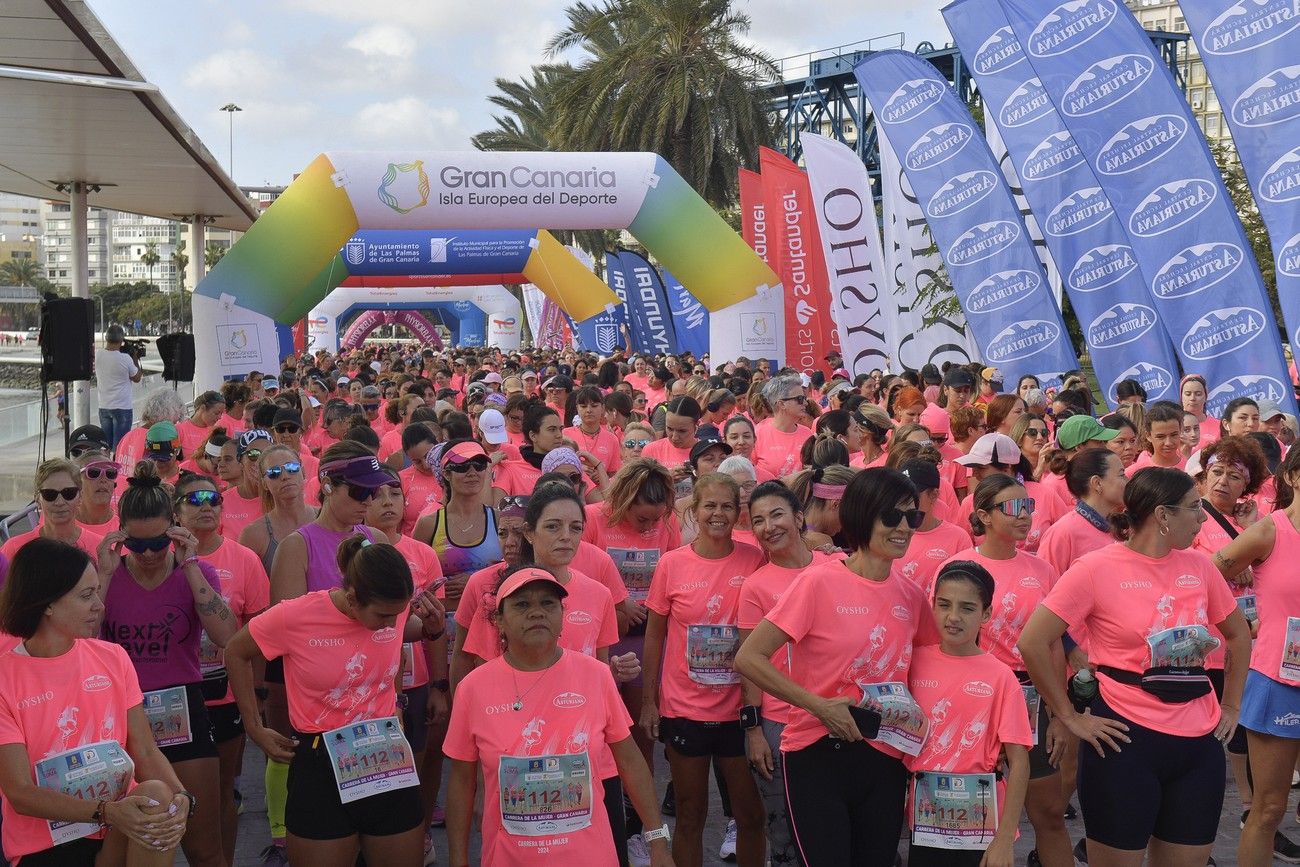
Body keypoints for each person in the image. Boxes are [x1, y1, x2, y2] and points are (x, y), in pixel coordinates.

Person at [1018, 467, 1252, 866]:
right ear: (1162, 515)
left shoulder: (1200, 566)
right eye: (1195, 508)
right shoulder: (1096, 568)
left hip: (1198, 739)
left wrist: (1231, 706)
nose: (1203, 518)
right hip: (1125, 739)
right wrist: (1069, 716)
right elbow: (1034, 640)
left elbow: (1238, 634)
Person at [735, 467, 937, 866]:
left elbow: (932, 673)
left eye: (912, 517)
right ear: (863, 515)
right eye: (891, 516)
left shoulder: (912, 596)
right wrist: (818, 705)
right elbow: (749, 658)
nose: (904, 528)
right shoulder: (818, 582)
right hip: (817, 754)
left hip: (886, 757)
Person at [226, 536, 441, 866]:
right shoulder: (295, 615)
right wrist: (254, 727)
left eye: (398, 613)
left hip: (384, 754)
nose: (392, 622)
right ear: (353, 598)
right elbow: (236, 652)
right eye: (384, 615)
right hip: (320, 761)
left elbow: (395, 643)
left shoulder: (392, 611)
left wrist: (397, 698)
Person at [444, 565, 674, 867]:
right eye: (522, 604)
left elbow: (630, 762)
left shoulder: (596, 676)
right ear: (499, 620)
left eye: (548, 603)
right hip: (509, 857)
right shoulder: (473, 689)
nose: (537, 612)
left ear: (562, 615)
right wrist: (459, 861)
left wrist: (657, 840)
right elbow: (461, 782)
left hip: (591, 856)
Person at [0, 539, 190, 866]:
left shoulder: (113, 657)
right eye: (86, 596)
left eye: (97, 592)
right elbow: (19, 792)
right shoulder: (6, 677)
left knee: (159, 794)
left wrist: (183, 796)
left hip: (117, 825)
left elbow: (143, 750)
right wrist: (108, 813)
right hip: (47, 846)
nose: (100, 606)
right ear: (46, 603)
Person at [96, 461, 235, 867]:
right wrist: (104, 575)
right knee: (128, 846)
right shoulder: (104, 576)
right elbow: (83, 647)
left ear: (175, 528)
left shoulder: (198, 571)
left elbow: (228, 636)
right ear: (121, 537)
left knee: (203, 847)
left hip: (184, 710)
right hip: (121, 715)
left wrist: (190, 565)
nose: (150, 554)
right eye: (137, 546)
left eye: (159, 542)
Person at [945, 474, 1071, 866]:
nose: (1025, 515)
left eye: (1028, 506)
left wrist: (1060, 712)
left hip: (1032, 698)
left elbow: (1053, 645)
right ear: (983, 515)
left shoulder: (1043, 570)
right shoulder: (958, 567)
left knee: (1049, 813)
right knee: (974, 815)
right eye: (1013, 507)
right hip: (974, 702)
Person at [642, 473, 766, 867]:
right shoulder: (671, 564)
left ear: (738, 512)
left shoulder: (754, 559)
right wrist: (649, 702)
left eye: (726, 506)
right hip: (685, 710)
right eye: (709, 506)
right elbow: (654, 636)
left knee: (750, 815)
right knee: (690, 815)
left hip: (739, 714)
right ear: (693, 511)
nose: (718, 513)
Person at [905, 561, 1032, 867]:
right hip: (925, 822)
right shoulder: (913, 662)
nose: (953, 617)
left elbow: (1019, 761)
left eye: (967, 608)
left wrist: (1003, 840)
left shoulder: (1001, 677)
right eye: (944, 605)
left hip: (982, 826)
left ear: (986, 614)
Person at [176, 471, 271, 865]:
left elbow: (260, 635)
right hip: (172, 698)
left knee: (223, 788)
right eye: (194, 501)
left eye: (213, 500)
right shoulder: (154, 557)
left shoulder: (244, 559)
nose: (206, 508)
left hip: (226, 694)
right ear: (176, 511)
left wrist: (258, 696)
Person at [1213, 445, 1300, 866]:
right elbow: (1208, 576)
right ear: (1295, 477)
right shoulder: (1270, 531)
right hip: (1279, 682)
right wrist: (1240, 627)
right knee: (1269, 808)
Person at [737, 482, 829, 867]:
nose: (768, 526)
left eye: (776, 514)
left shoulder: (835, 567)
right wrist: (754, 730)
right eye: (758, 520)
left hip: (830, 716)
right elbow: (749, 665)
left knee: (830, 826)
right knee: (785, 836)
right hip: (778, 724)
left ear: (799, 517)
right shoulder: (755, 586)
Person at [1037, 450, 1127, 577]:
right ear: (1097, 483)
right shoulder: (1063, 533)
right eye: (1122, 474)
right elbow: (1045, 585)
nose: (1128, 480)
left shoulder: (1121, 526)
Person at [1, 459, 105, 567]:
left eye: (68, 493)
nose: (59, 502)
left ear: (80, 496)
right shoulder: (14, 549)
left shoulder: (99, 547)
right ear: (37, 499)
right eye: (49, 494)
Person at [894, 458, 972, 597]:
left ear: (934, 495)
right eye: (899, 493)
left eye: (913, 494)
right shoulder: (886, 531)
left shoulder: (958, 538)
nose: (904, 499)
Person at [753, 376, 813, 479]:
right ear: (781, 404)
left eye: (804, 398)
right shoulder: (757, 433)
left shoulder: (807, 434)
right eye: (800, 399)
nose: (805, 403)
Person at [96, 324, 143, 450]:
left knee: (105, 446)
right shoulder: (126, 358)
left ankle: (106, 468)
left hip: (104, 406)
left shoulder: (98, 354)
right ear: (121, 340)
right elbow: (137, 377)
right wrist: (135, 358)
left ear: (106, 338)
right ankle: (118, 469)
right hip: (122, 407)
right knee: (120, 447)